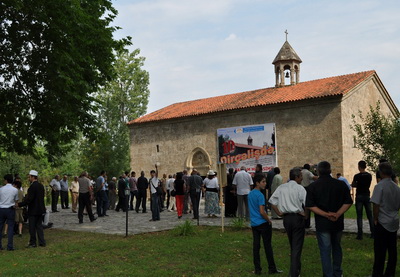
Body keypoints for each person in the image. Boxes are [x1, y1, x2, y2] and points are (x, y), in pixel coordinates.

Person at [306, 161, 352, 277]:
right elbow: (348, 201)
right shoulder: (340, 184)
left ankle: (328, 274)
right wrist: (337, 213)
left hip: (323, 223)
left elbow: (310, 206)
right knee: (337, 247)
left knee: (325, 250)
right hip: (337, 222)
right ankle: (337, 272)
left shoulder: (313, 186)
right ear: (330, 170)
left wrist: (326, 214)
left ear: (318, 171)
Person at [270, 168, 306, 277]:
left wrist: (279, 213)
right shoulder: (300, 188)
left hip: (287, 219)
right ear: (297, 177)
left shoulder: (281, 187)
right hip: (297, 218)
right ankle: (294, 273)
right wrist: (305, 214)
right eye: (300, 176)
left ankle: (297, 270)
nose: (302, 178)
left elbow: (272, 201)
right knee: (297, 246)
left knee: (293, 244)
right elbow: (307, 203)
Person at [370, 162, 400, 277]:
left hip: (382, 221)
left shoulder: (379, 186)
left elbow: (376, 205)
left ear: (381, 173)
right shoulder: (396, 187)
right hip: (393, 220)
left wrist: (375, 218)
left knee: (380, 251)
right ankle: (390, 272)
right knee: (392, 249)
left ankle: (377, 273)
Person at [248, 174, 282, 275]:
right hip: (263, 223)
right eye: (263, 181)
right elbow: (262, 211)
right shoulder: (260, 195)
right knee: (267, 246)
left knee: (256, 246)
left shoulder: (250, 194)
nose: (265, 183)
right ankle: (272, 268)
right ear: (257, 183)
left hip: (254, 224)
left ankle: (257, 269)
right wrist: (269, 220)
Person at [18, 170, 46, 248]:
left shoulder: (32, 187)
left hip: (33, 210)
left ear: (33, 177)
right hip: (40, 209)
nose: (28, 178)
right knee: (39, 226)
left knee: (32, 227)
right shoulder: (41, 186)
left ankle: (33, 242)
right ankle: (42, 242)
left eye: (29, 177)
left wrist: (20, 204)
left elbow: (29, 199)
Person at [351, 160, 374, 240]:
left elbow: (353, 185)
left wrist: (357, 184)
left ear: (359, 166)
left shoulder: (357, 176)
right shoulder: (369, 175)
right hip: (367, 195)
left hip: (359, 195)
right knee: (370, 215)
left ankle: (360, 234)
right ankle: (373, 232)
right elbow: (368, 184)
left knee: (359, 216)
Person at [0, 174, 19, 251]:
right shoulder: (15, 190)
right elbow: (16, 201)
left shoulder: (1, 189)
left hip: (1, 209)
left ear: (6, 180)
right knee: (10, 227)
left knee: (0, 227)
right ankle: (10, 246)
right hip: (10, 209)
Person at [301, 164, 318, 228]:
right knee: (308, 206)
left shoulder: (301, 172)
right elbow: (314, 177)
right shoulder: (308, 172)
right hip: (306, 188)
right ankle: (307, 223)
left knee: (302, 206)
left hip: (301, 187)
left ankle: (302, 222)